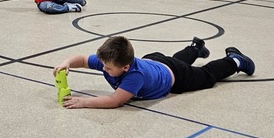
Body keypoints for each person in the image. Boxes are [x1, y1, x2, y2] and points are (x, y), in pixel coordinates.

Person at [53, 36, 255, 109]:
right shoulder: (110, 60)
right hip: (156, 62)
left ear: (125, 67)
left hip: (175, 78)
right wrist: (67, 62)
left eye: (107, 68)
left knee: (206, 76)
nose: (103, 69)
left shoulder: (134, 77)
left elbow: (115, 100)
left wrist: (84, 101)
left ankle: (234, 60)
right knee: (174, 60)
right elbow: (82, 59)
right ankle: (195, 48)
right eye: (103, 65)